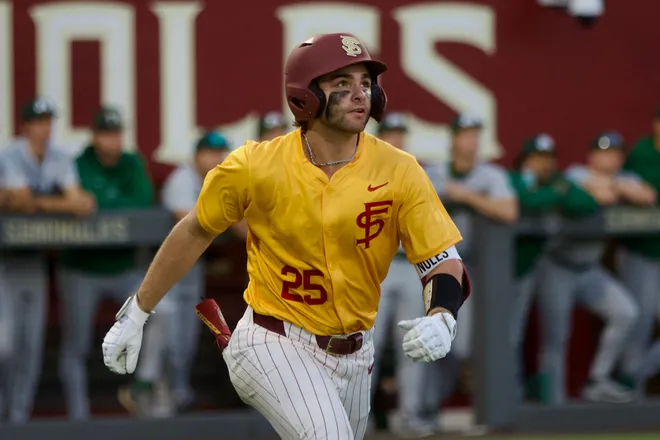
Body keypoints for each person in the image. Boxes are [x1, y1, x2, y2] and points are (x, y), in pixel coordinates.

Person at [102, 32, 470, 440]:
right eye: (342, 85)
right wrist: (137, 311)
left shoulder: (399, 169)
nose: (359, 94)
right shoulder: (255, 165)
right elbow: (194, 230)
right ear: (305, 95)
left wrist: (444, 317)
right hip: (273, 339)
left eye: (365, 83)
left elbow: (441, 257)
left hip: (355, 351)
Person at [117, 132, 233, 417]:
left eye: (219, 153)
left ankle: (173, 395)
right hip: (165, 269)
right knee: (169, 336)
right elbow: (191, 219)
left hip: (192, 270)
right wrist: (232, 215)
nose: (215, 158)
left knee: (185, 340)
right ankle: (155, 395)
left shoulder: (217, 180)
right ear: (197, 155)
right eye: (209, 152)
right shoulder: (182, 180)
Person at [419, 114, 517, 431]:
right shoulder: (434, 174)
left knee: (462, 347)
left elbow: (508, 210)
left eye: (475, 134)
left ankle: (474, 410)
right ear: (453, 139)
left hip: (473, 269)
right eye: (465, 134)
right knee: (434, 343)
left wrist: (467, 196)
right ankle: (427, 409)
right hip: (430, 267)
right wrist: (450, 193)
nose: (471, 141)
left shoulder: (489, 175)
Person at [0, 98, 95, 423]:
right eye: (38, 121)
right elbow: (20, 202)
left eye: (48, 121)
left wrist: (36, 203)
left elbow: (79, 202)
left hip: (35, 261)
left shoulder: (58, 157)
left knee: (31, 348)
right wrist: (54, 203)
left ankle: (18, 417)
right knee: (5, 344)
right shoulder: (11, 155)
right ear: (25, 126)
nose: (44, 127)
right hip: (4, 260)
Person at [55, 106, 153, 420]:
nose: (112, 140)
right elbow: (76, 203)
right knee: (77, 344)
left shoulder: (131, 162)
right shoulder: (78, 163)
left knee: (160, 314)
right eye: (106, 133)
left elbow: (142, 201)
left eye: (116, 133)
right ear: (95, 136)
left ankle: (143, 393)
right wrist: (101, 204)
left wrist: (103, 203)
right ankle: (78, 417)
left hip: (124, 268)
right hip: (81, 269)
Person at [534, 132, 643, 404]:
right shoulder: (575, 173)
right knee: (556, 338)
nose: (611, 158)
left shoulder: (625, 179)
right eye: (605, 152)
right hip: (557, 264)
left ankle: (598, 379)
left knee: (626, 312)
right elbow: (584, 190)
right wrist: (611, 189)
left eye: (616, 153)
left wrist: (613, 186)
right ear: (592, 156)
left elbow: (647, 195)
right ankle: (553, 402)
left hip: (589, 269)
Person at [368, 112, 430, 437]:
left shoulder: (417, 170)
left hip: (410, 265)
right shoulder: (366, 168)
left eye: (400, 133)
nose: (396, 138)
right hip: (377, 265)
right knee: (368, 345)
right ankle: (356, 418)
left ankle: (411, 416)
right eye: (390, 133)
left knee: (412, 344)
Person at [617, 108, 660, 394]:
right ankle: (631, 394)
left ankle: (631, 379)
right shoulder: (642, 153)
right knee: (639, 323)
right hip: (639, 253)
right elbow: (647, 194)